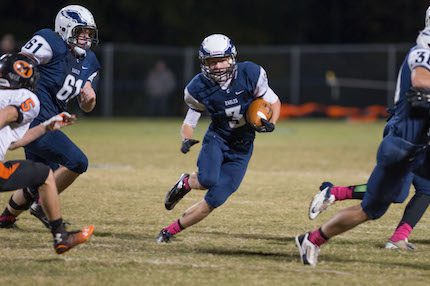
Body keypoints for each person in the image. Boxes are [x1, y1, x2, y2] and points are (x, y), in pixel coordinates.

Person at [296, 27, 430, 266]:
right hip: (404, 143)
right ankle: (314, 236)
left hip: (419, 144)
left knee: (409, 194)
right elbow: (421, 82)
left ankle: (316, 234)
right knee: (373, 209)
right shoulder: (422, 50)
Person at [156, 34, 281, 243]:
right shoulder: (197, 88)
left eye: (222, 60)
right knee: (207, 179)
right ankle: (185, 182)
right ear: (204, 64)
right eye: (212, 62)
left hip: (242, 148)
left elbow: (274, 102)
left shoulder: (250, 73)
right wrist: (186, 138)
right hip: (218, 138)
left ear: (232, 58)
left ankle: (169, 231)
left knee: (216, 198)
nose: (218, 66)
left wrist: (272, 123)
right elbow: (190, 121)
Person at [0, 5, 100, 229]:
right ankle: (41, 205)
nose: (85, 37)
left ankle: (7, 218)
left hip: (50, 124)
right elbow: (18, 64)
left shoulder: (90, 61)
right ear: (65, 28)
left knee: (40, 177)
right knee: (77, 162)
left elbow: (87, 106)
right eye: (81, 31)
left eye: (89, 33)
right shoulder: (50, 41)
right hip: (32, 118)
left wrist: (89, 98)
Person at [0, 53, 93, 254]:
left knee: (41, 174)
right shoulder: (26, 98)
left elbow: (14, 143)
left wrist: (46, 126)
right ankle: (61, 237)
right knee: (45, 175)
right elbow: (7, 114)